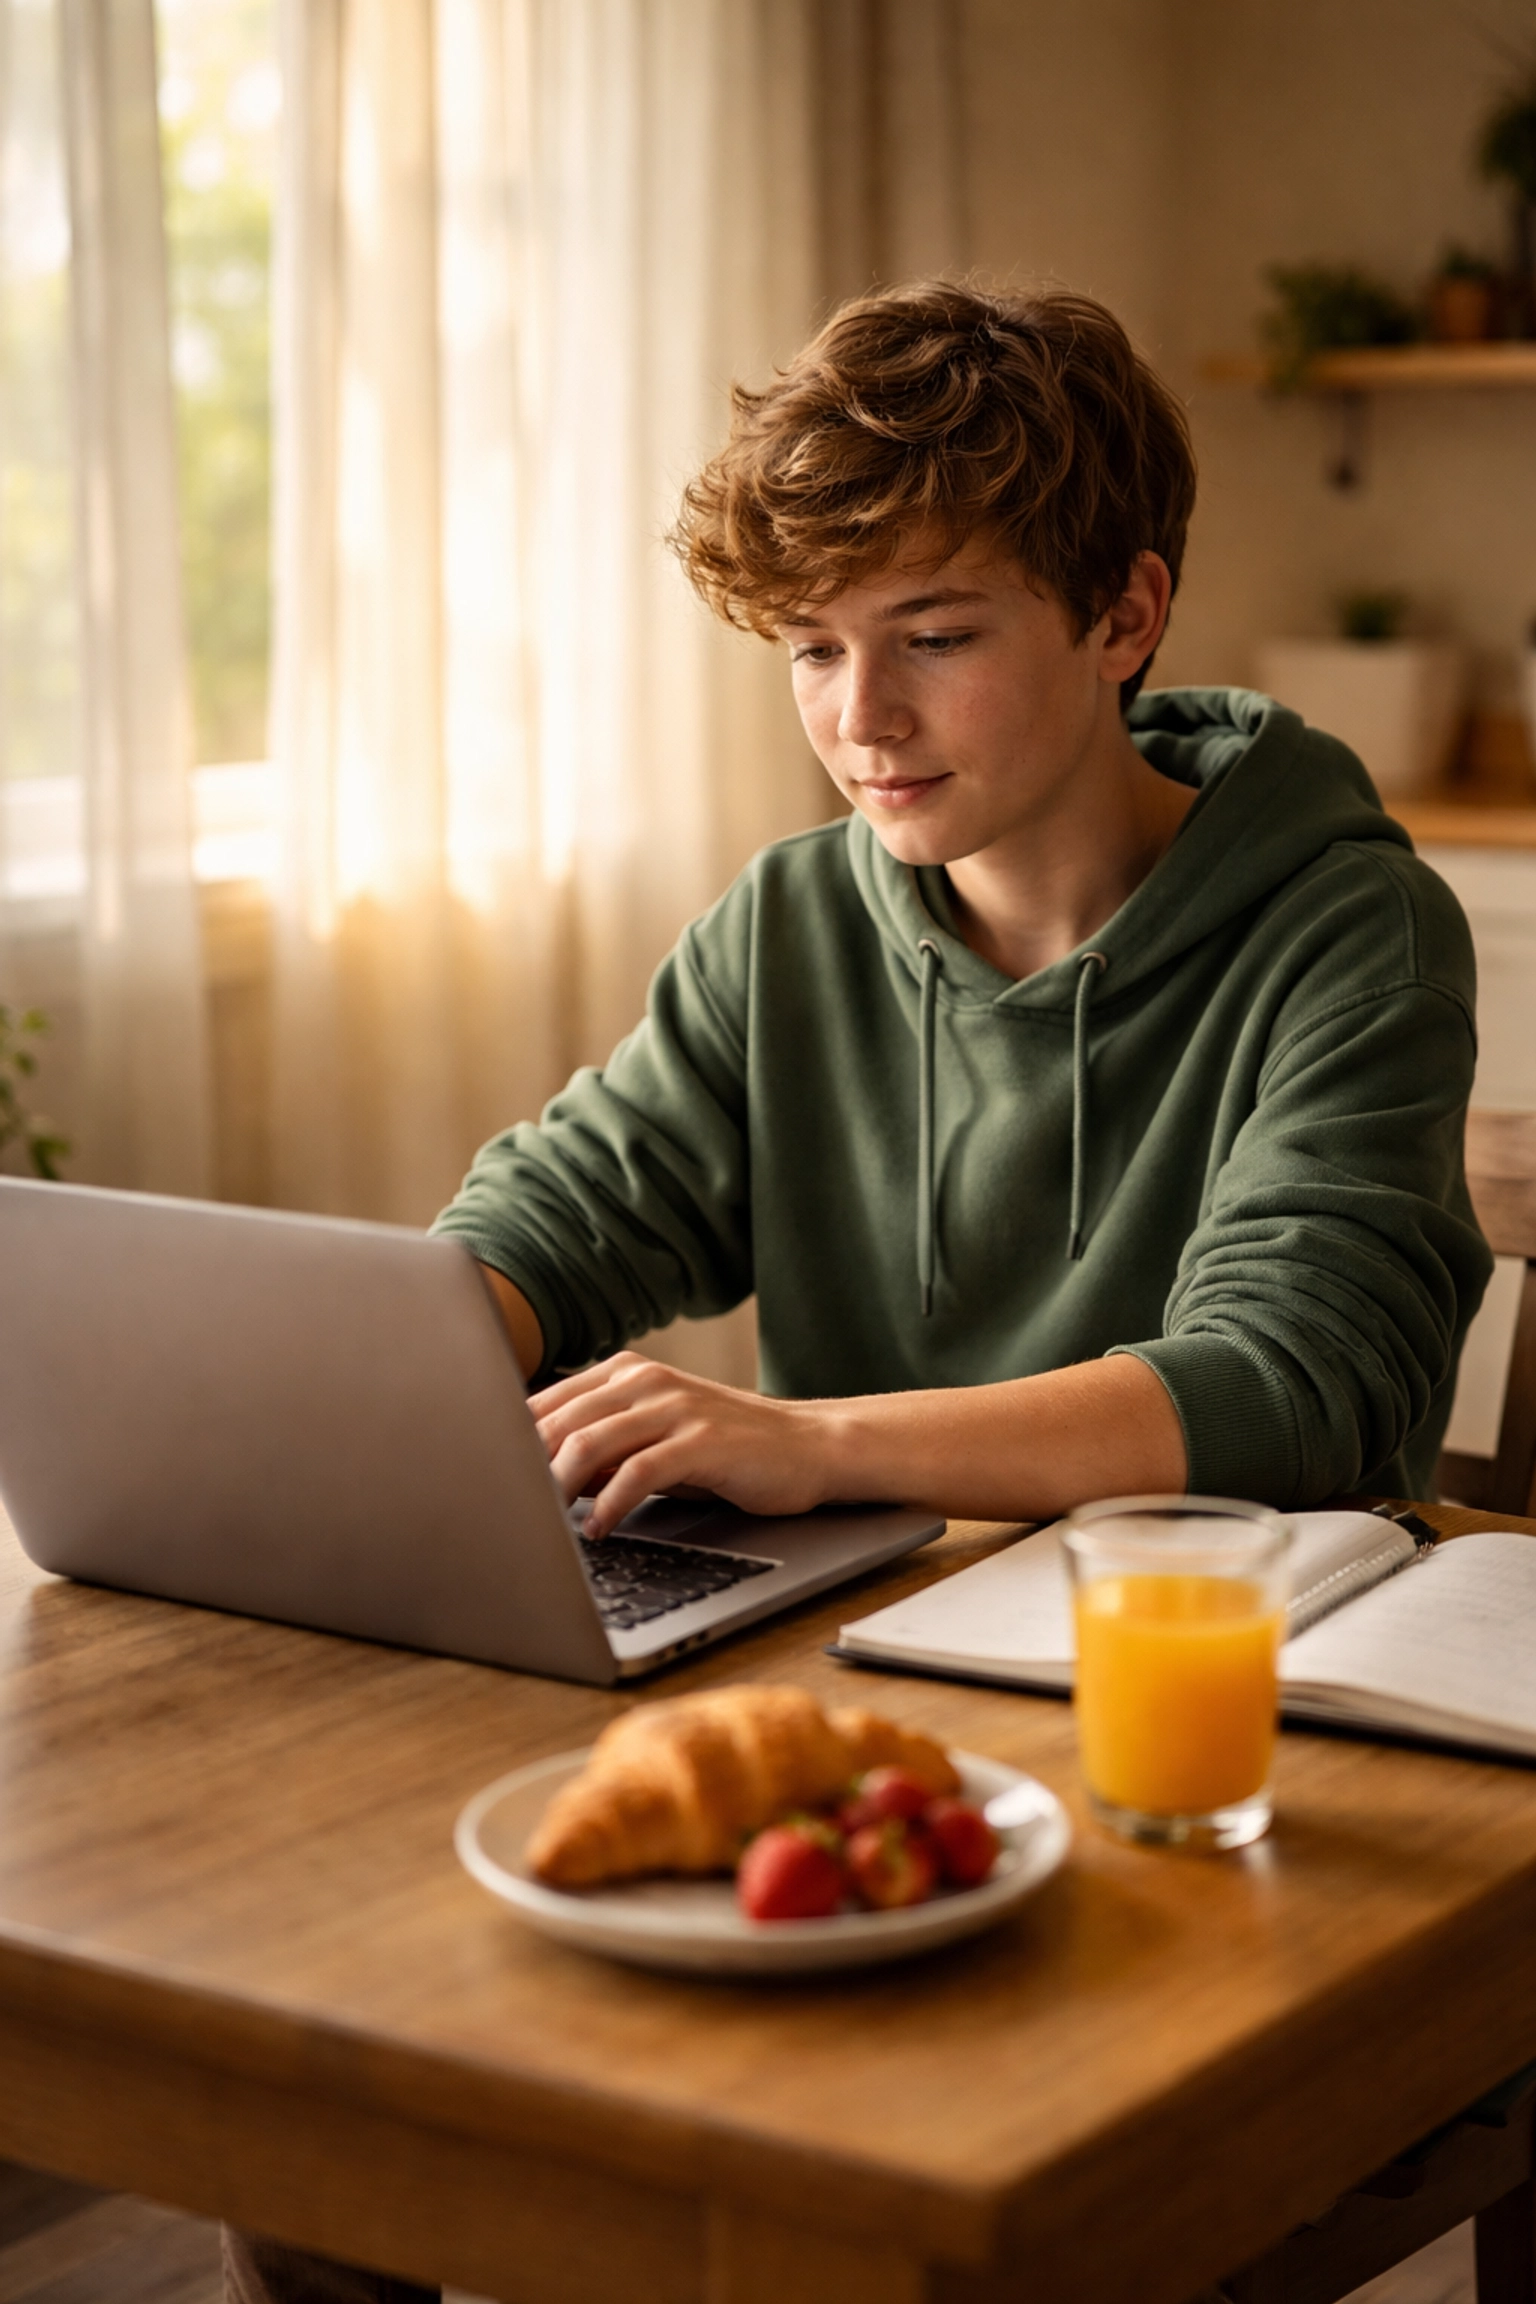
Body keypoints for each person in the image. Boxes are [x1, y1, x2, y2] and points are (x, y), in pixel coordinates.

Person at [227, 279, 1490, 2304]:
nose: (859, 719)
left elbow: (1295, 1381)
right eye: (812, 648)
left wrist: (805, 1439)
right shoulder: (794, 922)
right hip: (874, 1712)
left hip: (1226, 1771)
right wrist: (361, 1381)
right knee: (324, 2091)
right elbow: (564, 1212)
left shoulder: (1348, 929)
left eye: (935, 635)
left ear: (1125, 613)